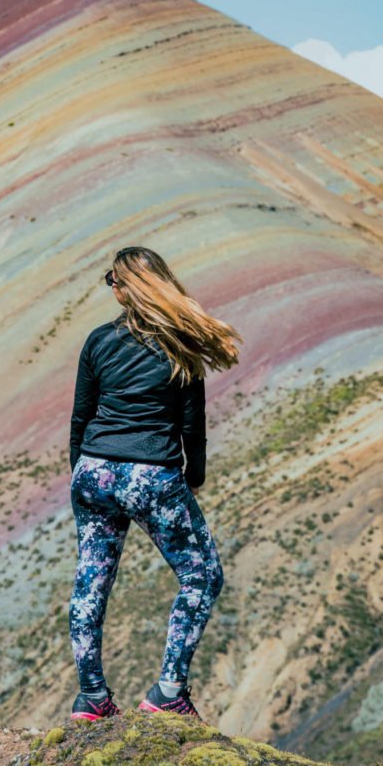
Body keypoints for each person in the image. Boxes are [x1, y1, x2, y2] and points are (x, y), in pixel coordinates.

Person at [68, 246, 242, 723]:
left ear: (124, 291)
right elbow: (192, 426)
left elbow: (82, 415)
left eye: (112, 280)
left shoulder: (98, 341)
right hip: (151, 476)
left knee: (91, 581)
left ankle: (92, 697)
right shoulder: (181, 343)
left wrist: (80, 476)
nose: (111, 288)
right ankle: (168, 690)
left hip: (93, 470)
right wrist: (192, 478)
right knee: (202, 575)